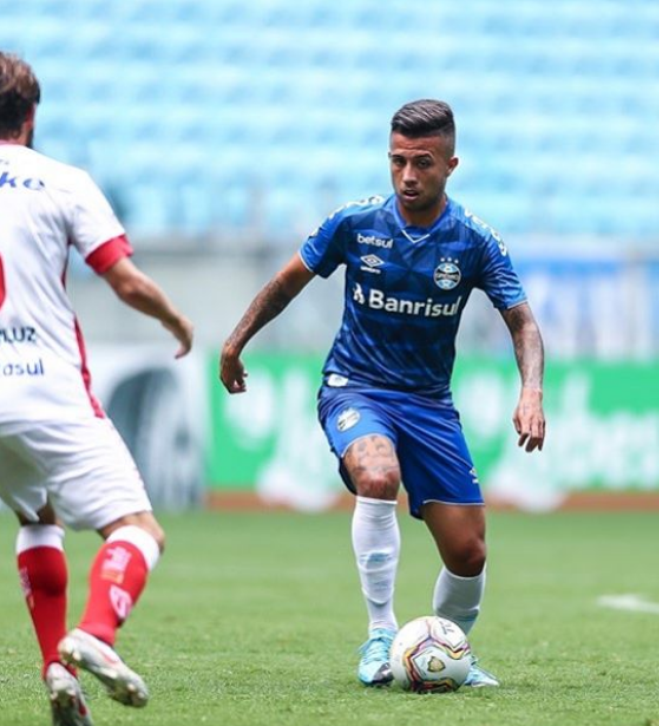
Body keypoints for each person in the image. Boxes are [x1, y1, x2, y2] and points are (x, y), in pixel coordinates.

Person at [220, 99, 545, 688]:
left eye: (422, 162)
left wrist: (532, 392)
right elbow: (284, 284)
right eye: (397, 161)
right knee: (377, 475)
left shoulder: (474, 241)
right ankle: (378, 633)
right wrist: (234, 343)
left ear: (451, 164)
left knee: (469, 554)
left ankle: (444, 653)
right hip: (356, 387)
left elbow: (522, 321)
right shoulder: (354, 223)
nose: (408, 176)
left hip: (428, 403)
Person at [0, 52, 194, 725]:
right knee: (139, 531)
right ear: (30, 117)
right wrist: (174, 317)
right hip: (47, 391)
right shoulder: (62, 181)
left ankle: (57, 668)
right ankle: (94, 636)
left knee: (37, 515)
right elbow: (123, 278)